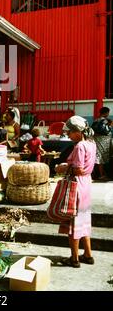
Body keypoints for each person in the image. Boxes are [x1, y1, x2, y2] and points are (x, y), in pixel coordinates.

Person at [55, 116, 96, 268]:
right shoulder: (91, 144)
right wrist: (69, 164)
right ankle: (88, 254)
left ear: (77, 131)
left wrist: (62, 167)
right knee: (84, 221)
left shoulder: (79, 146)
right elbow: (84, 166)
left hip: (76, 185)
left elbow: (78, 169)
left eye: (70, 133)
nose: (68, 135)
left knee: (74, 224)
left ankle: (74, 258)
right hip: (86, 184)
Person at [92, 107, 112, 181]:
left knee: (97, 156)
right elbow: (106, 131)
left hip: (97, 140)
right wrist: (110, 126)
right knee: (101, 158)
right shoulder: (105, 121)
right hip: (103, 141)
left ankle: (94, 173)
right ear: (106, 112)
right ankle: (101, 175)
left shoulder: (96, 119)